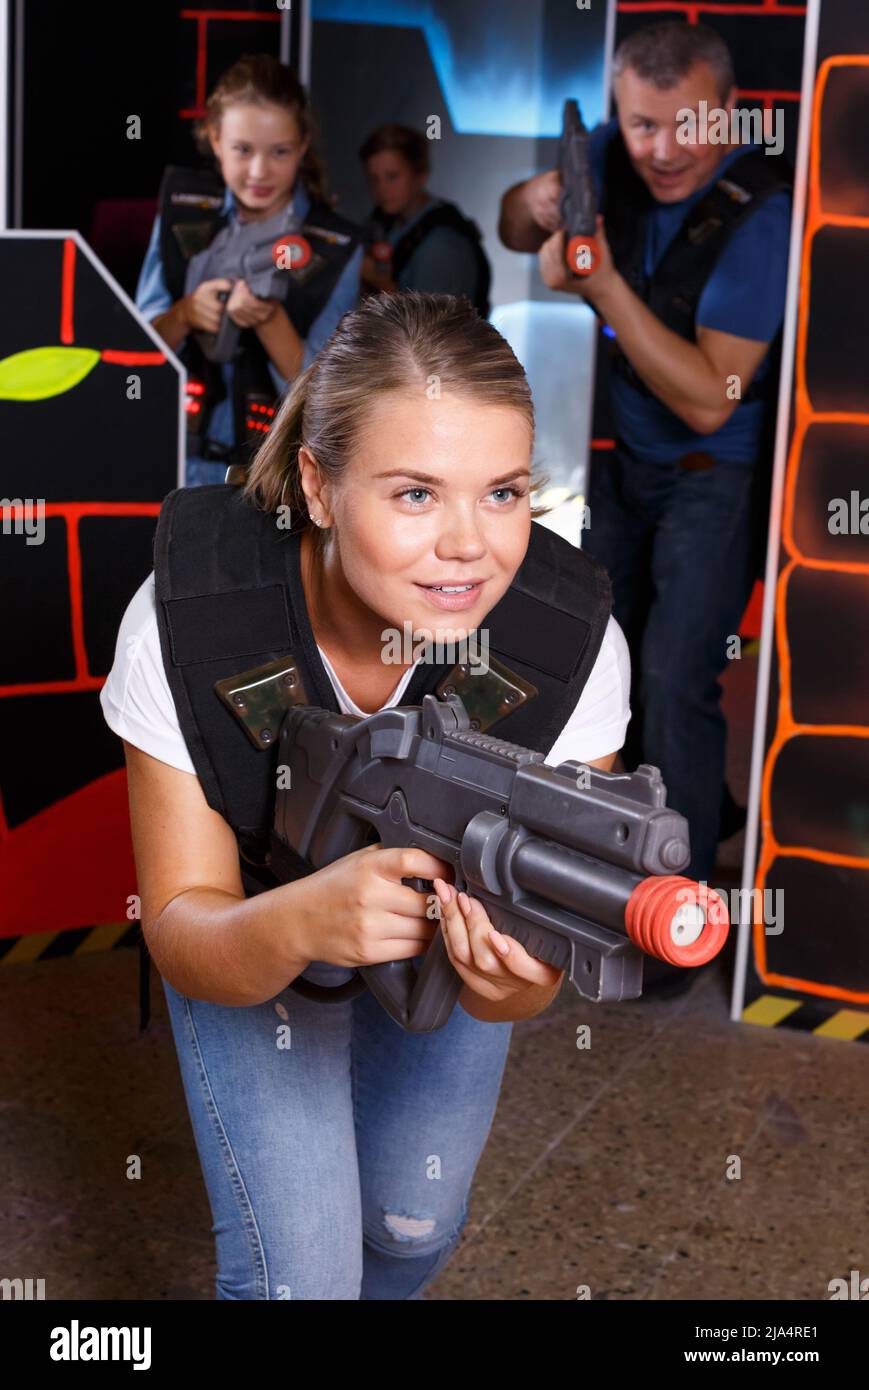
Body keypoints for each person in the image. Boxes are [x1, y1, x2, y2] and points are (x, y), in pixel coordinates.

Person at [100, 291, 631, 1299]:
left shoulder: (565, 644)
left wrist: (503, 971)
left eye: (504, 491)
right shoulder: (190, 617)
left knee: (408, 1227)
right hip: (253, 921)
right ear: (317, 481)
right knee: (297, 1278)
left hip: (436, 942)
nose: (470, 546)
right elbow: (180, 927)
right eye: (416, 494)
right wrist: (308, 919)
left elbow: (531, 981)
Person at [499, 20, 792, 900]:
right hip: (625, 471)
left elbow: (711, 397)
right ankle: (634, 851)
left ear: (729, 114)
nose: (662, 151)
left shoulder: (761, 215)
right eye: (641, 127)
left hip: (716, 479)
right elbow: (514, 225)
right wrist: (543, 200)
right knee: (599, 662)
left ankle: (681, 915)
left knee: (673, 677)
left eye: (687, 125)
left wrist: (601, 288)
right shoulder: (611, 147)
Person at [137, 53, 363, 487]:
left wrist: (270, 320)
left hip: (272, 478)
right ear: (214, 138)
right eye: (243, 150)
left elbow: (327, 395)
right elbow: (135, 349)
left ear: (301, 147)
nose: (259, 171)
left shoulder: (335, 246)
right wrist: (184, 314)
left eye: (279, 152)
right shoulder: (181, 212)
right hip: (171, 460)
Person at [358, 124, 491, 316]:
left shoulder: (443, 244)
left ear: (420, 175)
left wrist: (378, 281)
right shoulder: (383, 225)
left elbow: (429, 328)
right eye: (373, 179)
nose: (382, 188)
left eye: (392, 176)